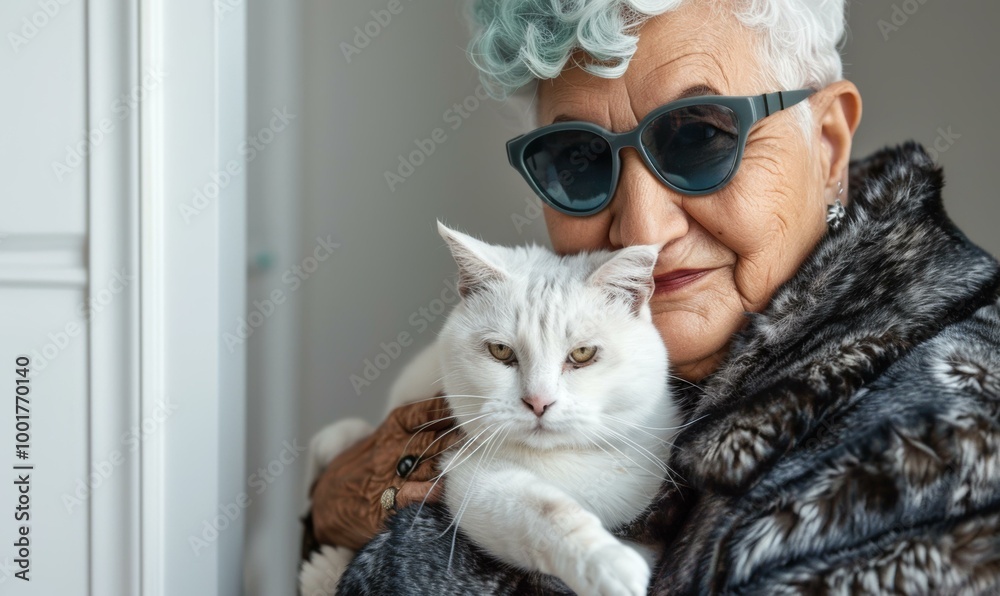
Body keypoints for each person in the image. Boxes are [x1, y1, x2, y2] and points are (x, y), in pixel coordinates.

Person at [300, 0, 1000, 593]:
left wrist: (400, 527)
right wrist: (344, 497)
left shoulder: (943, 450)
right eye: (578, 158)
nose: (643, 227)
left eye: (700, 136)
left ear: (827, 144)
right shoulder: (663, 353)